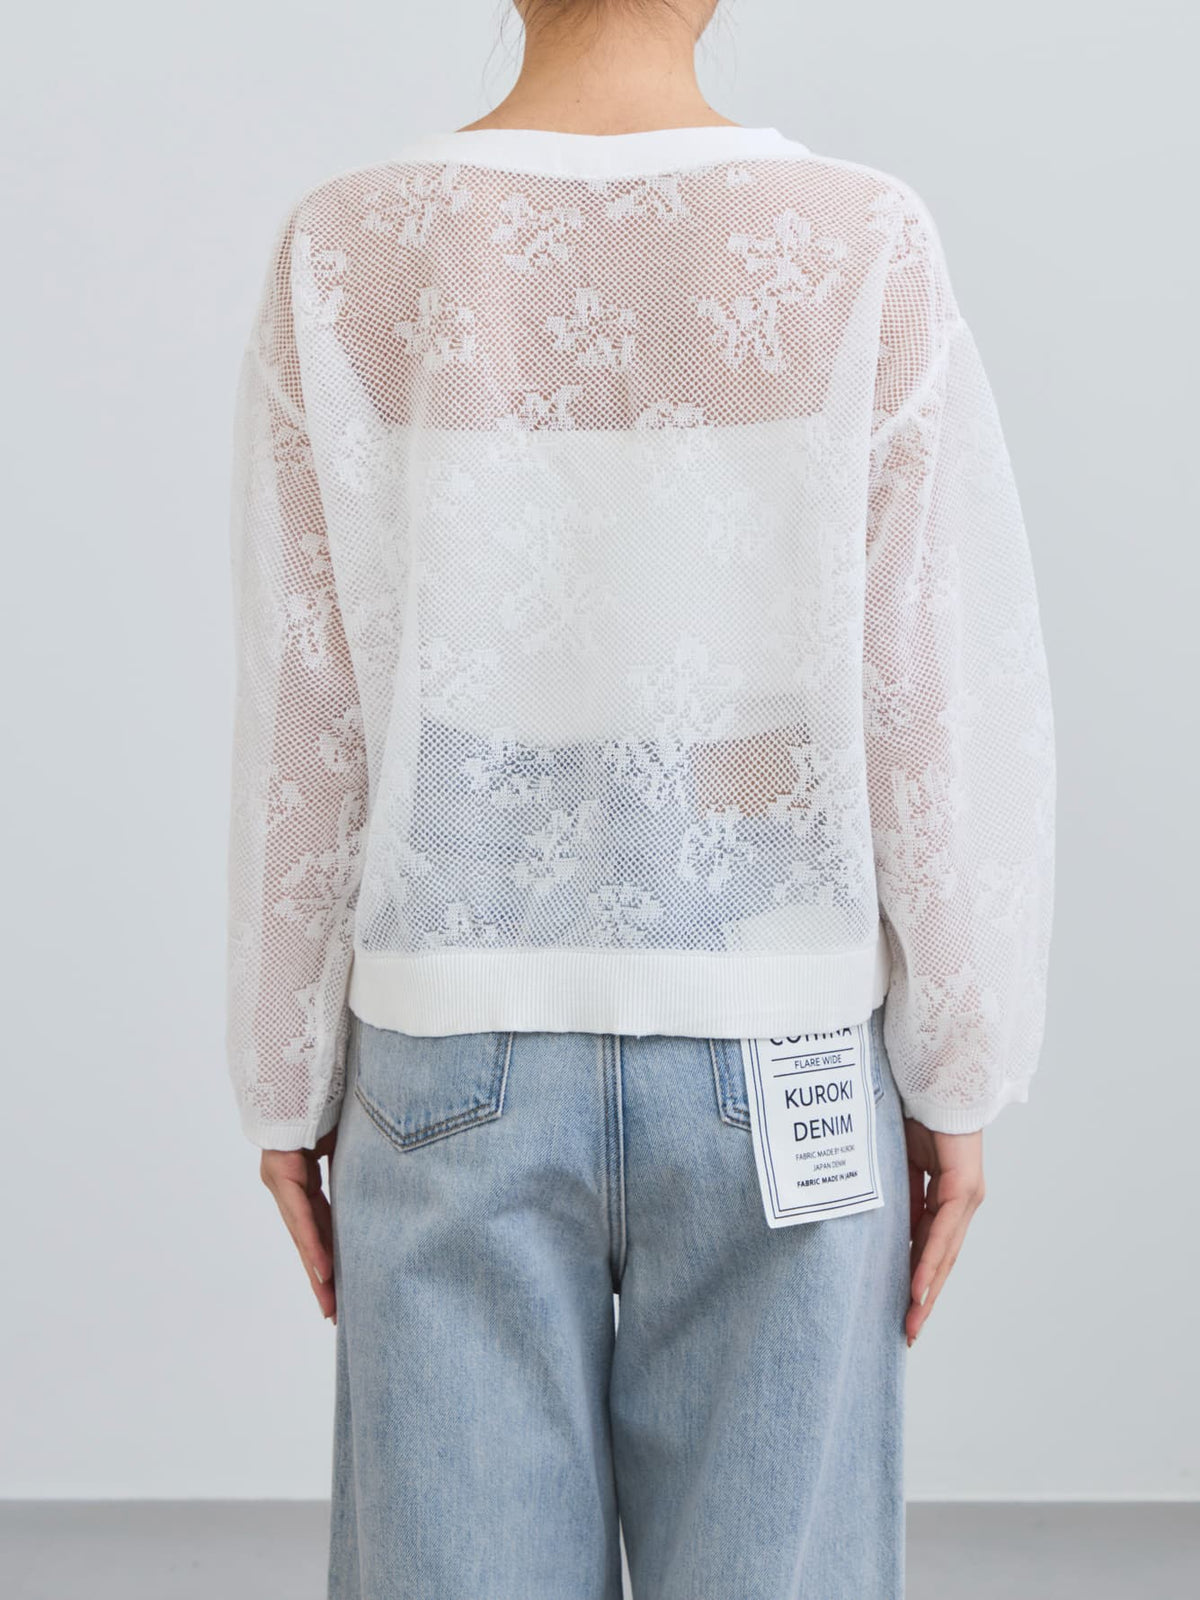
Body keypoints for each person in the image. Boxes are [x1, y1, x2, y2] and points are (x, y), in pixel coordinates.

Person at [224, 1, 1056, 1594]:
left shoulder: (349, 246)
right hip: (776, 1030)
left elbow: (312, 702)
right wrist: (956, 1068)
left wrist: (284, 1082)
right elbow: (919, 693)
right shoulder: (858, 240)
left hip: (452, 1037)